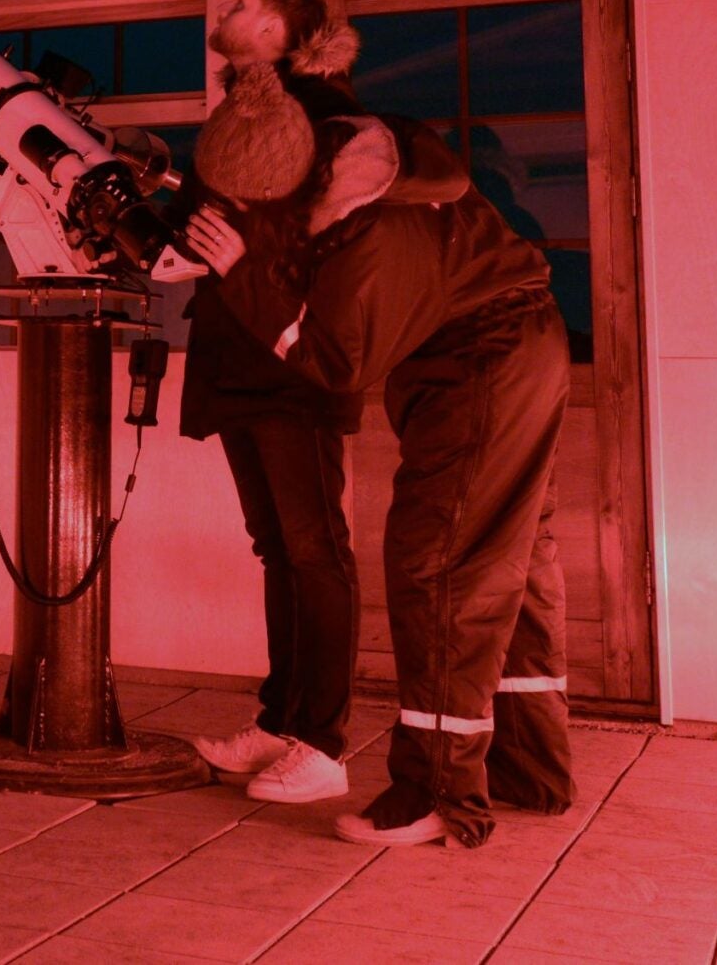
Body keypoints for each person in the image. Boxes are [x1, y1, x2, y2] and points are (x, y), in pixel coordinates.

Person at [182, 49, 575, 848]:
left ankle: (436, 795)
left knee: (440, 566)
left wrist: (244, 274)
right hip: (510, 352)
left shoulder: (370, 225)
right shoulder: (361, 171)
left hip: (483, 367)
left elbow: (340, 363)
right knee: (514, 562)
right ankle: (529, 769)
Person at [176, 0, 369, 804]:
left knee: (315, 550)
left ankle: (323, 746)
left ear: (284, 35)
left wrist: (246, 269)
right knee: (277, 549)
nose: (229, 10)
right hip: (235, 357)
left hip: (292, 363)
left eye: (247, 4)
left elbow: (337, 249)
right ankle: (281, 722)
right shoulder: (233, 121)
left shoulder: (327, 122)